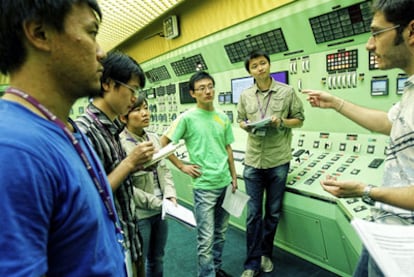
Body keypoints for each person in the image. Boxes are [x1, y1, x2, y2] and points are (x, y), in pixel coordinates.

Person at [0, 1, 128, 276]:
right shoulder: (13, 150)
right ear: (40, 33)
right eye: (91, 33)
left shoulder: (66, 128)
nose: (101, 52)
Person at [303, 0, 414, 275]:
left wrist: (364, 190)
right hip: (386, 223)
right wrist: (337, 103)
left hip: (404, 245)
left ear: (411, 32)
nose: (369, 45)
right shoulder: (411, 89)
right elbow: (389, 123)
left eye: (377, 33)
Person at [75, 50, 155, 276]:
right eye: (132, 90)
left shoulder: (113, 128)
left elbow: (113, 176)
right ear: (108, 84)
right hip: (111, 244)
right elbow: (91, 194)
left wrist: (136, 165)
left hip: (130, 233)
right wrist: (130, 162)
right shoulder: (85, 131)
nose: (134, 98)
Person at [160, 71, 237, 277]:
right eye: (201, 88)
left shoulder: (222, 117)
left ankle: (216, 269)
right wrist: (182, 166)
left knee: (220, 234)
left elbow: (227, 148)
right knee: (206, 238)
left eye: (210, 86)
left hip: (225, 183)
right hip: (204, 187)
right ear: (193, 93)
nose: (207, 91)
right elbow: (163, 143)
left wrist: (234, 177)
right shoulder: (186, 118)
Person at [237, 50, 305, 277]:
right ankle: (251, 263)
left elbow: (299, 120)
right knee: (253, 214)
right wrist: (244, 125)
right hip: (253, 161)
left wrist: (281, 122)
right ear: (250, 71)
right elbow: (240, 119)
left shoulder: (287, 92)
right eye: (255, 66)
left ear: (269, 65)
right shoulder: (246, 95)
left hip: (278, 160)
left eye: (263, 63)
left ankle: (266, 254)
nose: (260, 68)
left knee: (273, 213)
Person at [119, 94, 177, 277]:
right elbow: (126, 186)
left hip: (162, 208)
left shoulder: (153, 137)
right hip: (140, 213)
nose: (145, 113)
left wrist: (169, 195)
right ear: (123, 117)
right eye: (137, 109)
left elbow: (164, 170)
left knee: (158, 257)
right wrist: (157, 203)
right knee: (139, 261)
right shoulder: (119, 143)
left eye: (146, 107)